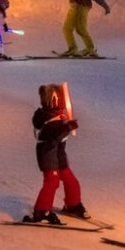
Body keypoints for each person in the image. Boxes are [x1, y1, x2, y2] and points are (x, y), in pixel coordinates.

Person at [23, 83, 87, 224]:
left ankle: (73, 205)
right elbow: (52, 136)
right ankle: (41, 211)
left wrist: (67, 125)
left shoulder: (58, 115)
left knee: (71, 180)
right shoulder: (43, 117)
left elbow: (59, 132)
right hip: (48, 155)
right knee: (52, 182)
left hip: (59, 156)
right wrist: (67, 127)